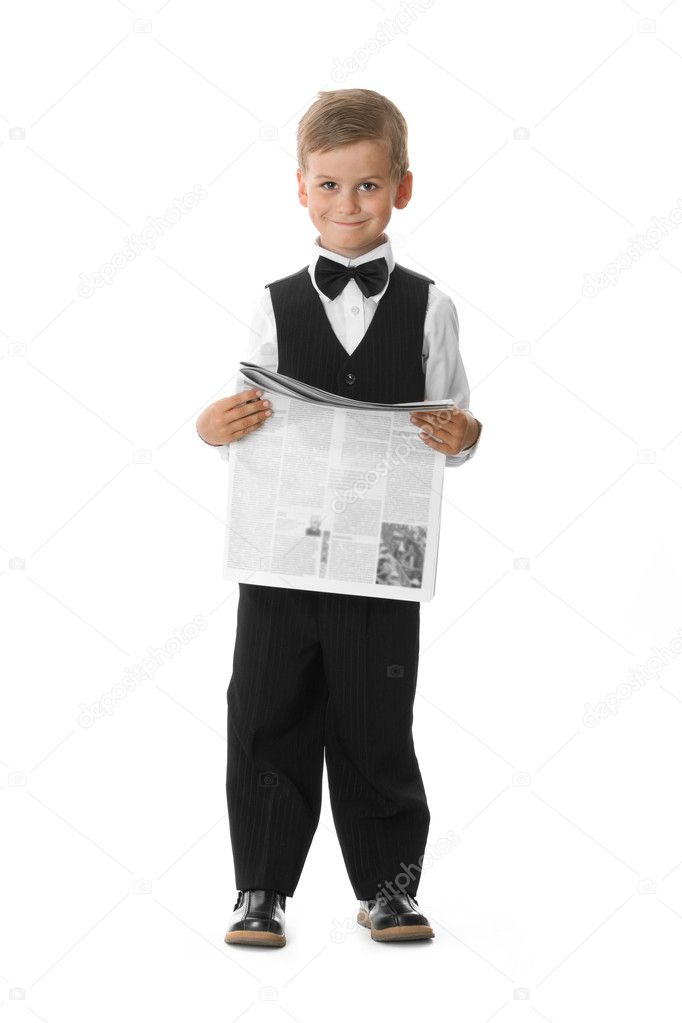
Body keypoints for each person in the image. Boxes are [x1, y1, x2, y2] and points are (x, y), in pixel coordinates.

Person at [196, 88, 482, 947]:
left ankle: (388, 889)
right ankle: (260, 890)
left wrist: (465, 431)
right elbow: (249, 426)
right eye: (328, 185)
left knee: (375, 718)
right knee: (266, 714)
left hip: (385, 554)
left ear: (402, 187)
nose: (345, 204)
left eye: (365, 186)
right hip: (282, 556)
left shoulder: (431, 306)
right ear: (299, 187)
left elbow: (456, 424)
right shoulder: (274, 303)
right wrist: (213, 426)